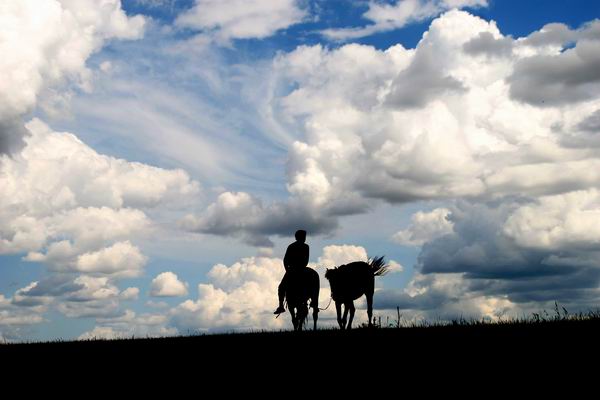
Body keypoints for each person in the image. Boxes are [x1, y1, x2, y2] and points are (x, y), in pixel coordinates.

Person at [273, 229, 309, 314]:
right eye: (304, 236)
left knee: (281, 287)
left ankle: (281, 306)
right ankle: (313, 301)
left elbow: (285, 260)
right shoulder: (306, 246)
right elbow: (306, 260)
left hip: (292, 270)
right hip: (302, 269)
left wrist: (287, 270)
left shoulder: (291, 246)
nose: (305, 238)